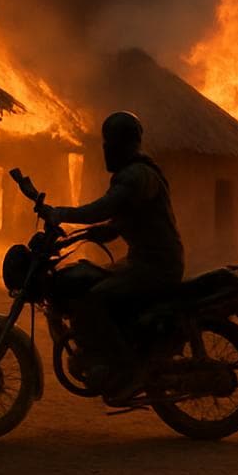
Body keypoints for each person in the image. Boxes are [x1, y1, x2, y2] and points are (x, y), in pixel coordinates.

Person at [39, 111, 185, 403]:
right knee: (91, 279)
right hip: (142, 260)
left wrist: (63, 214)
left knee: (92, 300)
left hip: (154, 265)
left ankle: (130, 372)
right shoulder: (135, 175)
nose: (105, 150)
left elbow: (105, 207)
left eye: (109, 144)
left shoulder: (136, 175)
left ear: (122, 144)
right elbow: (125, 218)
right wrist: (99, 233)